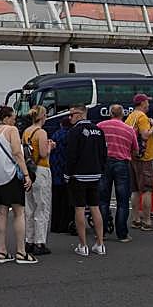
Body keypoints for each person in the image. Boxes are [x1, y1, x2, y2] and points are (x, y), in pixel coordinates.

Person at [0, 105, 35, 264]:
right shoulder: (12, 130)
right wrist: (26, 174)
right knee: (19, 213)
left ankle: (2, 251)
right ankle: (21, 252)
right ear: (7, 118)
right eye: (13, 118)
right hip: (11, 176)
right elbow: (17, 152)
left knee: (1, 213)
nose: (15, 121)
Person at [66, 104, 108, 256]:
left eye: (72, 114)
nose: (69, 117)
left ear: (80, 114)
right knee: (95, 207)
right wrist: (101, 169)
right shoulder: (98, 130)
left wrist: (67, 174)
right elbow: (104, 153)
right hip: (95, 173)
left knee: (79, 208)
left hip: (78, 175)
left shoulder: (74, 131)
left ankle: (83, 245)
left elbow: (71, 155)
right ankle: (100, 243)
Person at [96, 104, 137, 242]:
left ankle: (102, 232)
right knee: (123, 200)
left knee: (103, 200)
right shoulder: (129, 129)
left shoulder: (100, 126)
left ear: (109, 113)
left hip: (104, 162)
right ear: (122, 114)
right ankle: (122, 234)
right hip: (122, 163)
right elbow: (135, 150)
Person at [125, 94, 153, 231]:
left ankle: (136, 219)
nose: (148, 104)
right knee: (147, 189)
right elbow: (145, 135)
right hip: (145, 157)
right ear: (143, 103)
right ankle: (147, 221)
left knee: (135, 189)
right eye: (147, 102)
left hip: (133, 156)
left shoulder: (131, 116)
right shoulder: (142, 117)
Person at [22, 105, 53, 255]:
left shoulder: (26, 132)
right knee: (42, 206)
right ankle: (40, 242)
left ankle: (29, 240)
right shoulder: (41, 132)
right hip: (41, 169)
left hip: (29, 170)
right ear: (42, 117)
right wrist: (50, 147)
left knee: (29, 207)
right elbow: (43, 153)